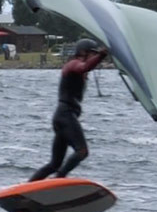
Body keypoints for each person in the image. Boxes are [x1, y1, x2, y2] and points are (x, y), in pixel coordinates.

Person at [28, 39, 109, 182]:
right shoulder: (73, 64)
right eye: (92, 54)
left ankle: (29, 187)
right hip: (66, 116)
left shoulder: (81, 69)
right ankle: (59, 179)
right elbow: (83, 68)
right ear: (83, 52)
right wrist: (102, 55)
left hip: (62, 117)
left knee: (55, 163)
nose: (94, 57)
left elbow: (85, 69)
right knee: (82, 151)